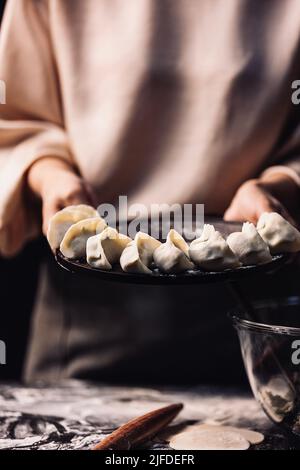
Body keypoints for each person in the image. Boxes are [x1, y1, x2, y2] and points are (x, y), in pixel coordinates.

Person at [0, 0, 300, 384]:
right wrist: (50, 175)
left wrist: (280, 186)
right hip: (89, 318)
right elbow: (16, 118)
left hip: (255, 324)